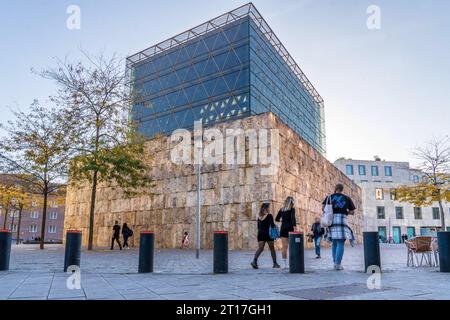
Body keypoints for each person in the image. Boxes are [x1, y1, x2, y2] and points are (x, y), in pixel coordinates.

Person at [322, 183, 356, 271]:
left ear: (335, 188)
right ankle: (338, 264)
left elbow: (323, 208)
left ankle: (335, 263)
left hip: (331, 220)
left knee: (334, 242)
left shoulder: (329, 197)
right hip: (342, 220)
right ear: (342, 189)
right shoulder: (346, 198)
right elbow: (352, 212)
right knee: (341, 242)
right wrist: (346, 211)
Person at [251, 203, 280, 269]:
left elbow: (258, 227)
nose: (270, 209)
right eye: (269, 207)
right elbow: (272, 225)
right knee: (272, 249)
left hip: (260, 234)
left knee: (260, 248)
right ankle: (275, 264)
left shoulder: (259, 217)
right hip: (268, 234)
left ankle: (254, 261)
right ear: (266, 208)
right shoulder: (269, 216)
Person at [275, 196, 296, 268]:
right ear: (291, 202)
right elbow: (293, 218)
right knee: (292, 246)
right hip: (290, 229)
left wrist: (282, 220)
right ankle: (293, 262)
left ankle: (285, 264)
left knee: (284, 247)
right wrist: (295, 227)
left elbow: (276, 219)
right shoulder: (292, 209)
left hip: (283, 229)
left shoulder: (281, 210)